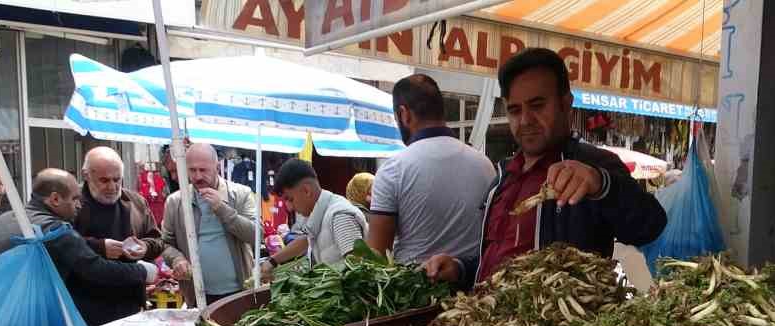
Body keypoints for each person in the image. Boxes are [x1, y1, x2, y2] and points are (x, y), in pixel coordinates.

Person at [421, 49, 666, 289]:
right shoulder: (503, 177)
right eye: (515, 110)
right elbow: (497, 260)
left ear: (566, 103)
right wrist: (460, 269)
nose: (525, 120)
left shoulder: (592, 165)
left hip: (555, 325)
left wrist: (602, 184)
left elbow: (650, 225)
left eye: (537, 105)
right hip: (487, 322)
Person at [0, 168, 158, 326]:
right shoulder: (54, 229)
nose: (79, 205)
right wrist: (142, 271)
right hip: (27, 324)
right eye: (74, 199)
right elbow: (97, 269)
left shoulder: (5, 219)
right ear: (55, 199)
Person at [365, 74, 495, 267]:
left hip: (415, 289)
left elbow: (375, 257)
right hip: (476, 291)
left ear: (404, 114)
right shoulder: (485, 165)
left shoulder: (393, 170)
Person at [161, 143, 260, 302]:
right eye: (192, 170)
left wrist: (222, 209)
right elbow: (165, 243)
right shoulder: (176, 201)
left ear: (216, 167)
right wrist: (176, 259)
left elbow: (256, 235)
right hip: (197, 295)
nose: (198, 176)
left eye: (203, 170)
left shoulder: (241, 194)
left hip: (240, 292)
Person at [73, 146, 165, 312]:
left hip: (130, 301)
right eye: (104, 180)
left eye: (117, 180)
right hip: (85, 303)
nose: (112, 187)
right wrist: (100, 247)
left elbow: (158, 241)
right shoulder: (73, 204)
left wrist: (144, 247)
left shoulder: (136, 202)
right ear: (87, 175)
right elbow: (62, 245)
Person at [262, 159, 366, 274]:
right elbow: (306, 239)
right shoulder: (320, 213)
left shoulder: (339, 216)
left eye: (290, 199)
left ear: (307, 190)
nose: (289, 208)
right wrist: (272, 261)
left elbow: (358, 270)